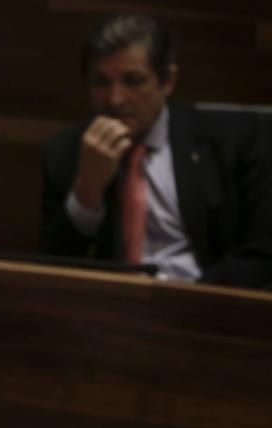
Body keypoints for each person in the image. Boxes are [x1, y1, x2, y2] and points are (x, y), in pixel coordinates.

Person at [40, 12, 272, 288]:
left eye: (133, 80)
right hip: (110, 313)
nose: (115, 99)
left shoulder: (234, 141)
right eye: (101, 82)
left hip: (206, 305)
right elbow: (55, 268)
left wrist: (190, 302)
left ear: (167, 81)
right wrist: (87, 191)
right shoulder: (64, 152)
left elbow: (261, 254)